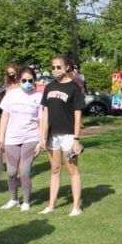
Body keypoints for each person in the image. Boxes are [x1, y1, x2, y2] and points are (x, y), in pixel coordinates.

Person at [39, 54, 84, 215]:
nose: (55, 70)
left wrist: (76, 140)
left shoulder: (74, 88)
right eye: (53, 67)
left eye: (58, 67)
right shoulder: (49, 87)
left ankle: (76, 207)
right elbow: (45, 113)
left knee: (72, 170)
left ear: (66, 67)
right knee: (55, 169)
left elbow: (78, 115)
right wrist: (43, 137)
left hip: (69, 135)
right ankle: (51, 205)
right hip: (53, 136)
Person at [0, 67, 42, 211]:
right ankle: (13, 199)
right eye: (24, 80)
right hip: (11, 138)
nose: (27, 83)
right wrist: (1, 136)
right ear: (19, 80)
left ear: (34, 80)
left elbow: (42, 119)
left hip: (31, 137)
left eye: (30, 80)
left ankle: (26, 202)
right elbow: (4, 116)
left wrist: (41, 140)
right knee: (10, 172)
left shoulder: (39, 96)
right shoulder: (11, 95)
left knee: (24, 171)